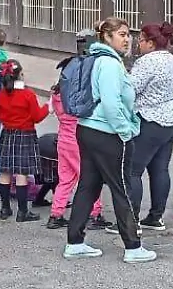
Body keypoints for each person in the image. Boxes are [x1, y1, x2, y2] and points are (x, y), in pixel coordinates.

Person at [64, 18, 156, 264]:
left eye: (128, 35)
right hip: (108, 133)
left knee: (88, 185)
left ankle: (75, 242)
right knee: (122, 187)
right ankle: (133, 247)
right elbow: (111, 102)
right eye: (121, 34)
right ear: (106, 37)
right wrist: (125, 130)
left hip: (88, 129)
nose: (127, 39)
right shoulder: (110, 64)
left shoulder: (96, 60)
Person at [125, 22, 173, 232]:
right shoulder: (172, 59)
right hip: (171, 119)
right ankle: (155, 217)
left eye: (140, 40)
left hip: (150, 119)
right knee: (160, 169)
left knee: (132, 170)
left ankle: (130, 220)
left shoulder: (147, 61)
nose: (138, 44)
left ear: (150, 43)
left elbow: (131, 89)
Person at [46, 57, 108, 231]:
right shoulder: (76, 94)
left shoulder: (57, 93)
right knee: (90, 178)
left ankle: (56, 214)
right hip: (77, 141)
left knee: (65, 179)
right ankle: (95, 213)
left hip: (63, 140)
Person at [0, 60, 49, 223]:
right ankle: (22, 212)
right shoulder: (28, 94)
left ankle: (5, 208)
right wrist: (47, 107)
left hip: (7, 134)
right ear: (20, 75)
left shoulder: (1, 94)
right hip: (24, 134)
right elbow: (37, 117)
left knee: (5, 172)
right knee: (21, 173)